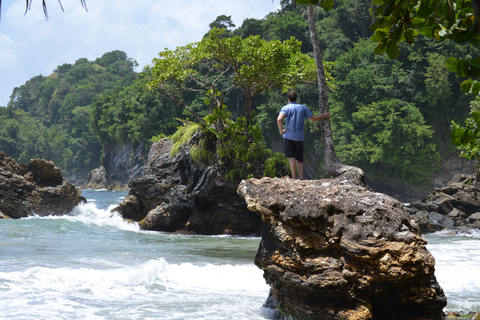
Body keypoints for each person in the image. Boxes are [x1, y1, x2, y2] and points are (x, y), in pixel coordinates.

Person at [277, 90, 330, 179]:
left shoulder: (285, 108)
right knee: (299, 159)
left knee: (291, 157)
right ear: (296, 98)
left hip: (288, 136)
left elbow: (279, 119)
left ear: (288, 98)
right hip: (299, 137)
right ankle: (301, 178)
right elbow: (313, 119)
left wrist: (281, 130)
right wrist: (324, 116)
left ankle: (294, 177)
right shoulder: (303, 108)